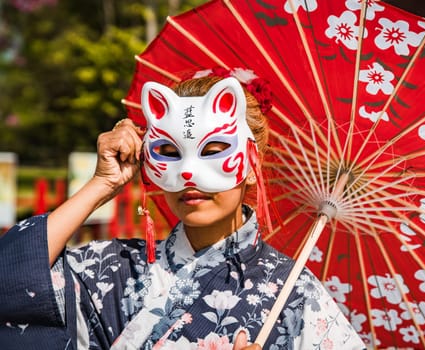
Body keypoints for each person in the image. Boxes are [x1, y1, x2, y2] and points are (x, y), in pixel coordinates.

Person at [0, 73, 366, 350]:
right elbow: (10, 280)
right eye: (170, 153)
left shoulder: (295, 294)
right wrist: (102, 185)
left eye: (214, 150)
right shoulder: (111, 268)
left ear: (252, 164)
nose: (189, 173)